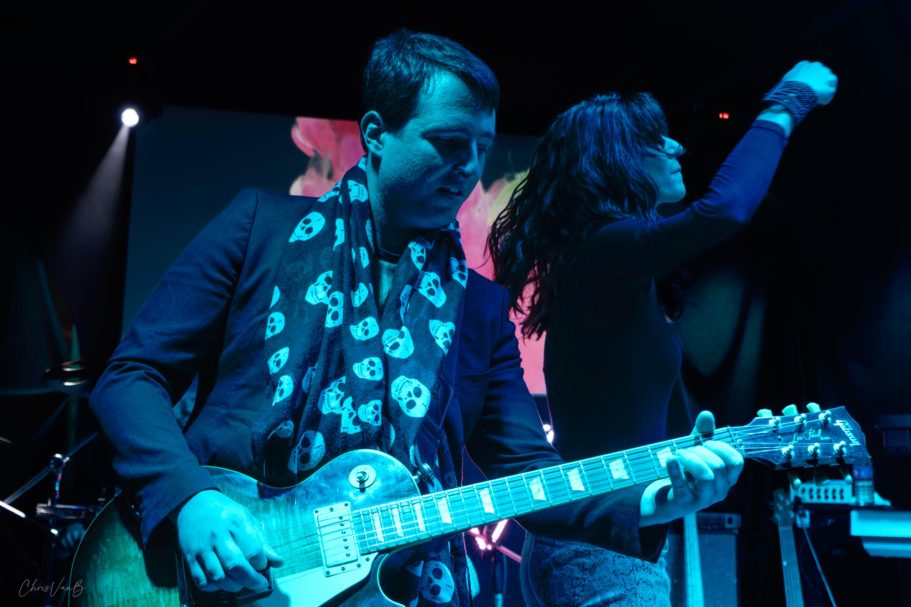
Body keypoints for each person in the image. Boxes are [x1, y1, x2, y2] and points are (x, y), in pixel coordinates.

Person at [88, 30, 743, 606]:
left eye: (481, 147)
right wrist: (189, 498)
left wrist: (654, 498)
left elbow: (525, 470)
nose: (468, 168)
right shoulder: (259, 227)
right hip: (225, 572)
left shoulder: (479, 307)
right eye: (448, 143)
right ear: (375, 134)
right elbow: (132, 376)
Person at [487, 61, 837, 605]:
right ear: (615, 159)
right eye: (656, 139)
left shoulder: (604, 264)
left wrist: (728, 446)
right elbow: (724, 209)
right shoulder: (605, 249)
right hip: (602, 553)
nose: (677, 147)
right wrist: (787, 103)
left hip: (596, 544)